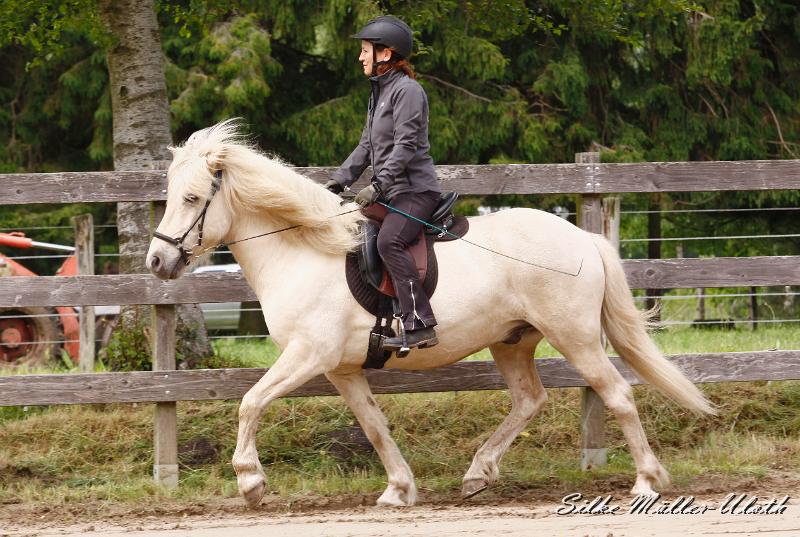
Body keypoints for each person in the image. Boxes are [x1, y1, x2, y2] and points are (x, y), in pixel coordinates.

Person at [324, 15, 441, 350]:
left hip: (415, 191)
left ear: (385, 54)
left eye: (365, 50)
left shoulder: (408, 92)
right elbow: (365, 147)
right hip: (392, 191)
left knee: (389, 242)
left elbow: (405, 145)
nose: (361, 57)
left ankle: (419, 324)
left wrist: (379, 185)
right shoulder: (380, 94)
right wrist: (337, 182)